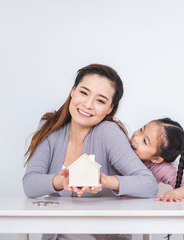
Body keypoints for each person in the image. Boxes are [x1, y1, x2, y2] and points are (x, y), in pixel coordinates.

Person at [23, 63, 158, 240]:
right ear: (73, 91)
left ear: (110, 108)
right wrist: (63, 180)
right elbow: (30, 184)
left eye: (100, 100)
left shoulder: (109, 133)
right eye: (84, 92)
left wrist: (105, 181)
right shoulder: (50, 129)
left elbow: (149, 184)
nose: (88, 104)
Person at [100, 118, 184, 202]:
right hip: (103, 200)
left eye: (145, 141)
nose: (136, 138)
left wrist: (174, 194)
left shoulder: (160, 168)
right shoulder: (123, 145)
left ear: (157, 159)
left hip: (133, 209)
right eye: (141, 130)